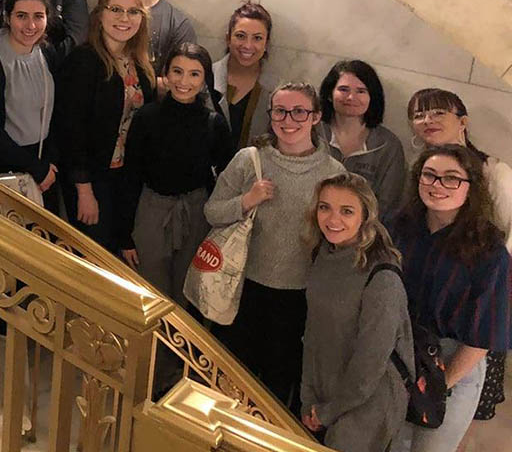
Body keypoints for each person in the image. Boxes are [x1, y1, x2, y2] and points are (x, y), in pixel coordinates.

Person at [204, 82, 346, 409]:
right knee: (228, 379)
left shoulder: (332, 173)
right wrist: (246, 200)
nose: (288, 120)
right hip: (241, 287)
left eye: (299, 112)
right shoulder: (249, 160)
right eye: (280, 111)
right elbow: (212, 212)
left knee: (275, 388)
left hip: (296, 296)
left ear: (316, 117)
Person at [391, 145, 510, 452]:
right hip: (398, 353)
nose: (437, 185)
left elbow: (482, 338)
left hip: (452, 363)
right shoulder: (399, 228)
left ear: (471, 187)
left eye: (451, 178)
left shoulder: (489, 250)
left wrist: (437, 386)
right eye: (429, 175)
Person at [405, 88, 512, 426]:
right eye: (419, 114)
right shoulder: (419, 175)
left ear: (463, 121)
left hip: (472, 305)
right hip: (420, 319)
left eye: (438, 112)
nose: (427, 120)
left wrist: (482, 271)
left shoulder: (494, 172)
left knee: (452, 418)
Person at [300, 173, 413, 452]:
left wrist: (330, 411)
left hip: (368, 403)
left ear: (365, 216)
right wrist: (308, 395)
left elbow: (371, 361)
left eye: (347, 211)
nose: (333, 219)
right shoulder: (324, 253)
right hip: (327, 388)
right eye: (325, 207)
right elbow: (313, 334)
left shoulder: (382, 275)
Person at [122, 42, 233, 302]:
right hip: (151, 212)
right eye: (177, 71)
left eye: (194, 74)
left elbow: (227, 179)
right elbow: (131, 176)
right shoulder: (146, 117)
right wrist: (124, 235)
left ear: (205, 79)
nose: (184, 81)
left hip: (196, 215)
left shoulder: (214, 124)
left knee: (188, 294)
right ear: (166, 73)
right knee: (150, 294)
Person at [56, 0, 156, 254]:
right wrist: (84, 191)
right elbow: (71, 131)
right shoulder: (83, 61)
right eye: (116, 9)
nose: (124, 18)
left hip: (124, 178)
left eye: (133, 11)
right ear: (100, 14)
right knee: (93, 256)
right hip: (91, 179)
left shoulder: (140, 64)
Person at [0, 0, 60, 210]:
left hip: (42, 164)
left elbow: (56, 113)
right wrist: (35, 168)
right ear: (7, 17)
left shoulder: (47, 52)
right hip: (3, 167)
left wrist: (48, 163)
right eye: (21, 16)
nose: (31, 25)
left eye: (38, 16)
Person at [318, 60, 407, 219]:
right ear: (329, 94)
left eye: (361, 91)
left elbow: (387, 205)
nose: (351, 97)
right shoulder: (312, 132)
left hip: (363, 230)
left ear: (372, 97)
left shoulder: (388, 145)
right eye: (343, 89)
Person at [212, 1, 275, 152]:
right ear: (228, 39)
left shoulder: (275, 91)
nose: (247, 45)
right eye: (240, 36)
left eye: (257, 38)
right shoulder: (205, 78)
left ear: (266, 44)